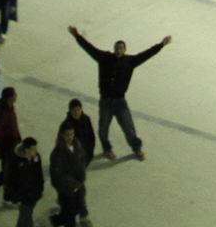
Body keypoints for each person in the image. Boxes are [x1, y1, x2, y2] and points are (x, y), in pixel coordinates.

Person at [69, 24, 168, 159]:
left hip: (120, 101)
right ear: (113, 49)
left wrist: (161, 45)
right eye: (116, 48)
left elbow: (146, 54)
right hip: (105, 101)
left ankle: (137, 148)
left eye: (121, 48)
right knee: (103, 129)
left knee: (129, 128)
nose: (118, 50)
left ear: (125, 50)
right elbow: (89, 49)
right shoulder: (104, 58)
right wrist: (77, 36)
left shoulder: (130, 61)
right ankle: (107, 149)